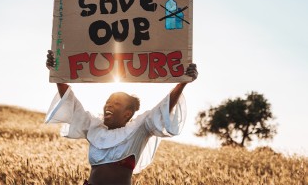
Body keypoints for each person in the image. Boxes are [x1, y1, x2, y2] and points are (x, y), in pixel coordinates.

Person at [45, 50, 198, 185]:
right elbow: (71, 102)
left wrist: (183, 82)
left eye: (116, 103)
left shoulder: (139, 129)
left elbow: (164, 106)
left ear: (127, 113)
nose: (108, 106)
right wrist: (57, 71)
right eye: (107, 102)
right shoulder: (94, 128)